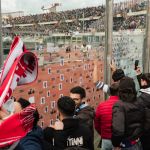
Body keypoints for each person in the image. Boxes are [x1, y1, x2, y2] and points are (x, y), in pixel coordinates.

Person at [112, 77, 144, 150]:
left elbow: (118, 130)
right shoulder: (139, 102)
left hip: (125, 145)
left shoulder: (119, 105)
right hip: (138, 143)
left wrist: (116, 144)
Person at [94, 82, 119, 150]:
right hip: (119, 141)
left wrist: (103, 134)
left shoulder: (101, 106)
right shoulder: (123, 105)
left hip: (105, 139)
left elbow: (96, 125)